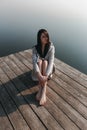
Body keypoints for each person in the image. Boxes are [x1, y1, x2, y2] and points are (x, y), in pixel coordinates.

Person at [31, 29, 55, 105]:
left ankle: (43, 89)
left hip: (48, 70)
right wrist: (39, 75)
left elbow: (51, 62)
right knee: (40, 61)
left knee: (45, 61)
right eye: (43, 37)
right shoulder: (35, 49)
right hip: (39, 71)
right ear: (39, 38)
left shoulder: (51, 47)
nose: (46, 38)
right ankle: (40, 87)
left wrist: (46, 76)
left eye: (47, 36)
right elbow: (34, 63)